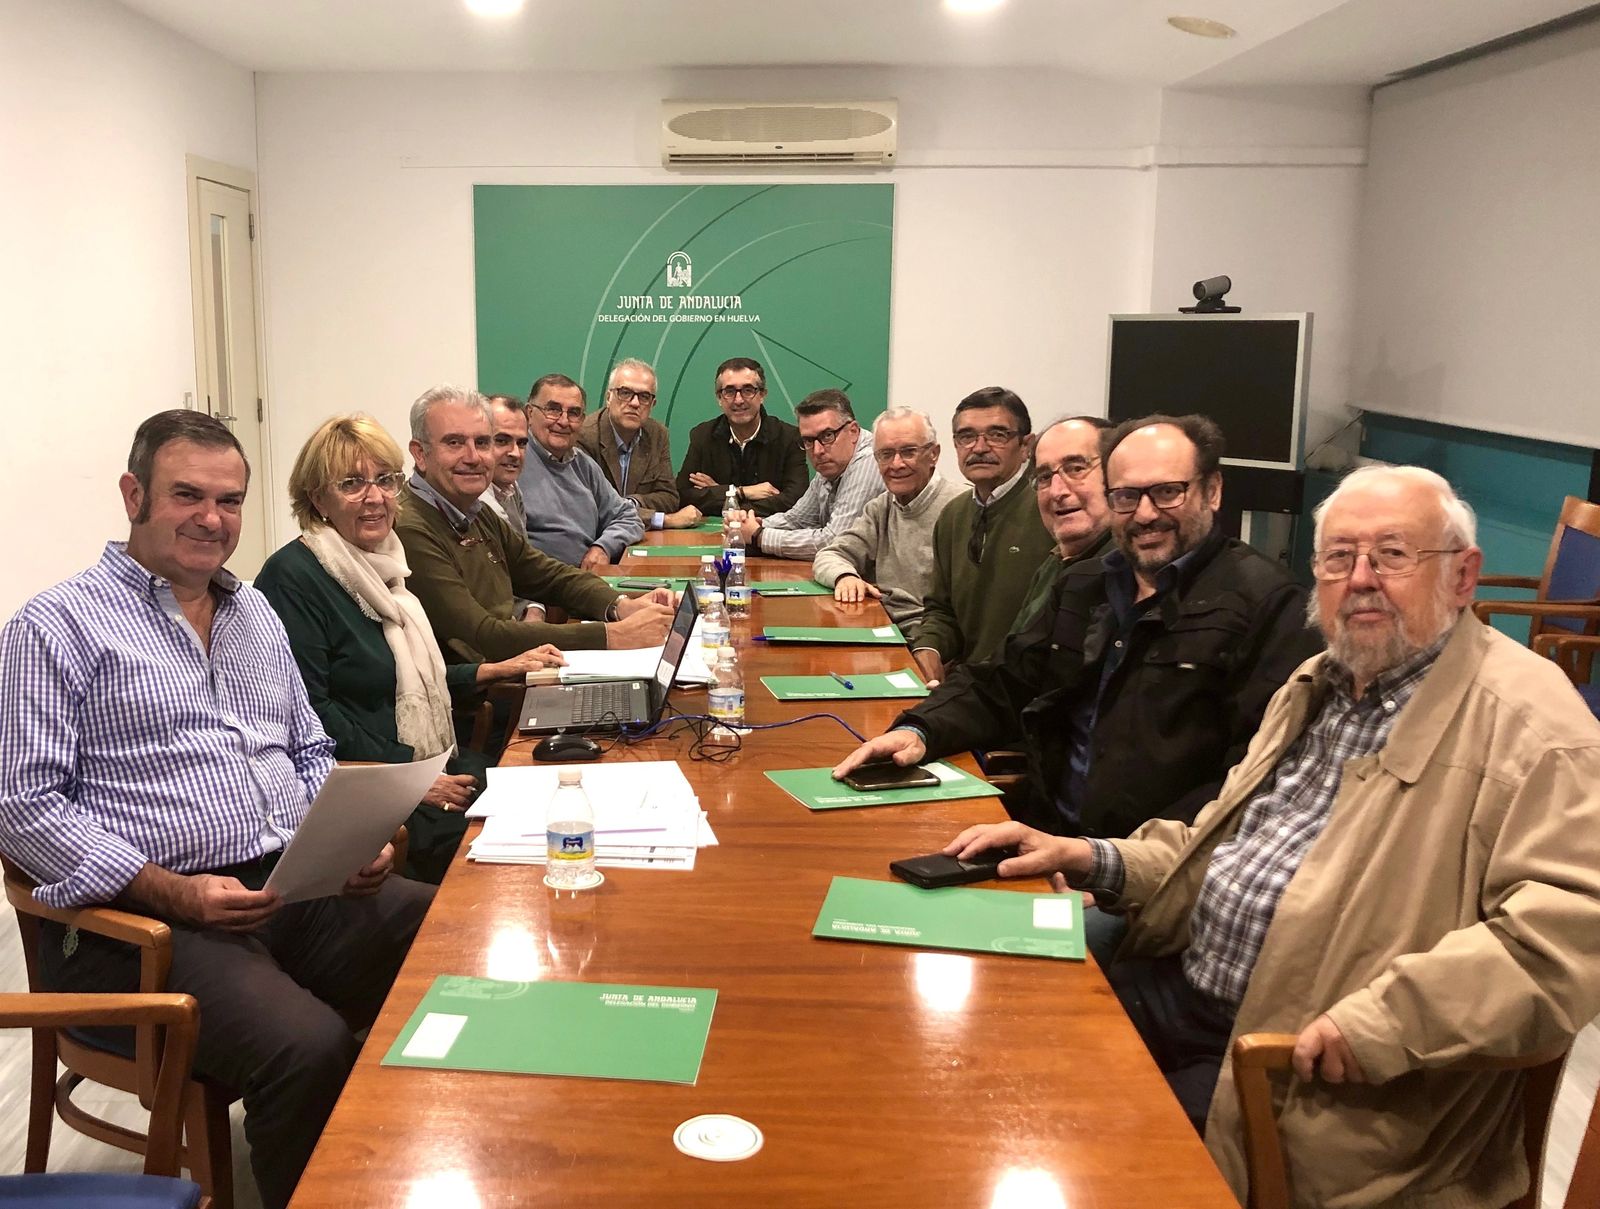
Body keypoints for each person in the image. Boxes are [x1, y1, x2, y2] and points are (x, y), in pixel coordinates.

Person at [943, 464, 1600, 1208]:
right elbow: (1225, 841)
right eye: (1337, 557)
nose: (1359, 579)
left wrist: (1383, 1022)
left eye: (1390, 555)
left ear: (1462, 576)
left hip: (1308, 1070)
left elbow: (1563, 943)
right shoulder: (1323, 680)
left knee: (1071, 1153)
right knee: (986, 1045)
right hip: (1192, 986)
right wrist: (1095, 857)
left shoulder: (1535, 727)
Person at [0, 410, 435, 1209]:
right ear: (134, 494)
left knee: (446, 939)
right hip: (144, 925)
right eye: (187, 495)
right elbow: (23, 809)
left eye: (229, 500)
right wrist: (170, 888)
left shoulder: (253, 614)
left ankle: (405, 1166)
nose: (212, 518)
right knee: (307, 1047)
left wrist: (348, 841)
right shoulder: (53, 627)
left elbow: (308, 750)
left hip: (285, 883)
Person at [835, 414, 1317, 848]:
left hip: (1147, 876)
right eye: (1127, 496)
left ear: (1212, 491)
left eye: (1167, 491)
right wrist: (921, 728)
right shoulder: (1088, 584)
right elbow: (1004, 681)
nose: (1145, 513)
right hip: (1044, 834)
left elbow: (1252, 783)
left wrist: (1110, 867)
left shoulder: (1270, 607)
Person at [256, 415, 565, 883]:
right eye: (352, 483)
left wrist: (490, 669)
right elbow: (313, 713)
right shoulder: (295, 577)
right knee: (519, 859)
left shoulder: (384, 562)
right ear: (317, 498)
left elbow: (406, 673)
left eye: (385, 480)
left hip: (428, 762)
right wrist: (412, 780)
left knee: (550, 790)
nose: (375, 496)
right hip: (373, 787)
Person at [395, 385, 674, 661]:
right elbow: (484, 637)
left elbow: (546, 574)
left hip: (514, 669)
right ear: (420, 454)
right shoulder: (411, 528)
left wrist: (620, 605)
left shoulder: (473, 510)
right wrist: (613, 635)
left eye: (482, 442)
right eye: (454, 443)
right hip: (479, 696)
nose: (473, 457)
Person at [911, 387, 1055, 685]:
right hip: (967, 689)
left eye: (997, 435)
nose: (979, 447)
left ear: (1027, 445)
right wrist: (928, 649)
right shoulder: (953, 516)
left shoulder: (1051, 512)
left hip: (1024, 694)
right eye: (967, 436)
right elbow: (942, 609)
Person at [811, 405, 966, 633]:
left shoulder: (962, 508)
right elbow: (830, 554)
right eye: (886, 454)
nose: (896, 464)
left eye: (908, 452)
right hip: (882, 629)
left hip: (931, 641)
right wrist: (844, 576)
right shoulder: (882, 507)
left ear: (934, 454)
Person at [733, 388, 884, 561]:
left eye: (828, 435)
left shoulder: (869, 462)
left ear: (853, 431)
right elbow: (797, 519)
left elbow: (836, 542)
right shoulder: (832, 463)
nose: (818, 450)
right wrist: (750, 524)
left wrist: (760, 535)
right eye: (808, 440)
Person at [518, 372, 644, 568]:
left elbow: (628, 516)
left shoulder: (582, 464)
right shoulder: (512, 464)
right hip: (541, 588)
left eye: (574, 413)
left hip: (587, 582)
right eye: (553, 409)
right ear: (529, 413)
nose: (563, 421)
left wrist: (603, 547)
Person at [577, 357, 701, 530]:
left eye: (644, 396)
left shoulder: (658, 434)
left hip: (641, 539)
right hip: (593, 539)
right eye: (625, 393)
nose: (635, 403)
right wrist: (663, 520)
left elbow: (669, 497)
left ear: (652, 404)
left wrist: (632, 502)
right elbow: (590, 507)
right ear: (608, 397)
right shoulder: (583, 435)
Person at [676, 356, 808, 517]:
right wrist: (740, 492)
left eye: (748, 390)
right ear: (719, 398)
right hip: (715, 535)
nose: (738, 400)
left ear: (762, 395)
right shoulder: (703, 436)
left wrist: (719, 493)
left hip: (770, 534)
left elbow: (795, 501)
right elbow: (682, 496)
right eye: (729, 391)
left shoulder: (789, 437)